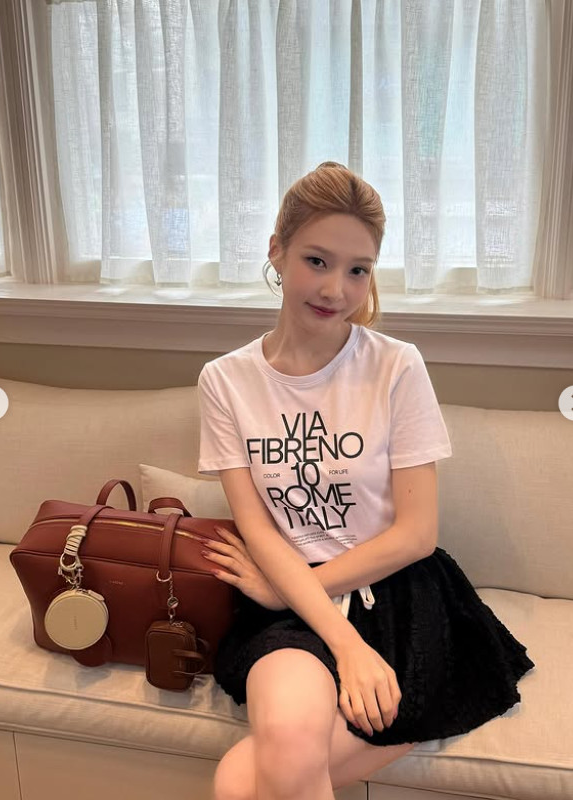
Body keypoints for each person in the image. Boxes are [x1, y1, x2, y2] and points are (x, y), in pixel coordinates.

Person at [196, 162, 535, 800]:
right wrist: (337, 637)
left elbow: (416, 534)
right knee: (286, 738)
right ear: (276, 250)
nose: (337, 289)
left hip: (396, 592)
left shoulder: (396, 366)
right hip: (293, 600)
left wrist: (286, 593)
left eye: (359, 269)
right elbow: (257, 527)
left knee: (239, 781)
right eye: (317, 261)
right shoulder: (225, 381)